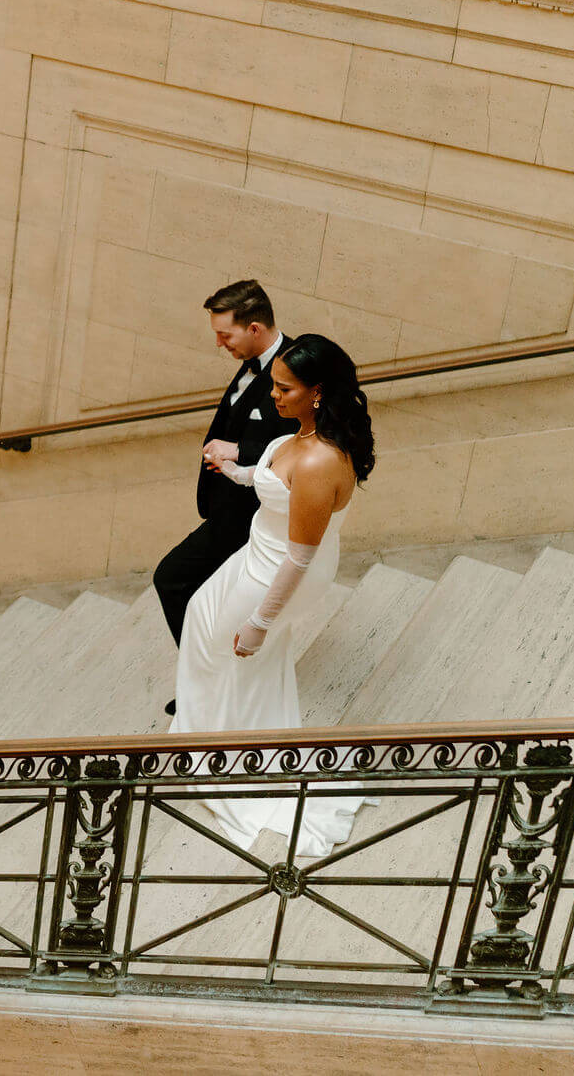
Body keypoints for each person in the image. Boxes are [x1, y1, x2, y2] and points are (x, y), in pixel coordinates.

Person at [170, 334, 376, 855]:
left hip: (279, 575)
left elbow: (300, 557)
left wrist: (261, 622)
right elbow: (274, 485)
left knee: (240, 655)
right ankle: (204, 734)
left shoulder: (318, 462)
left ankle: (231, 757)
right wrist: (238, 471)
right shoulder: (299, 435)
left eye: (284, 388)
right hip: (258, 554)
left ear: (318, 392)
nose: (274, 395)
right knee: (198, 617)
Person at [152, 281, 301, 712]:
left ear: (254, 328)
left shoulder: (293, 370)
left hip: (249, 517)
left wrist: (242, 451)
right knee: (202, 597)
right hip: (224, 510)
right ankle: (212, 680)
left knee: (173, 578)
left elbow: (305, 438)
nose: (219, 344)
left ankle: (206, 684)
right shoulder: (254, 361)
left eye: (225, 335)